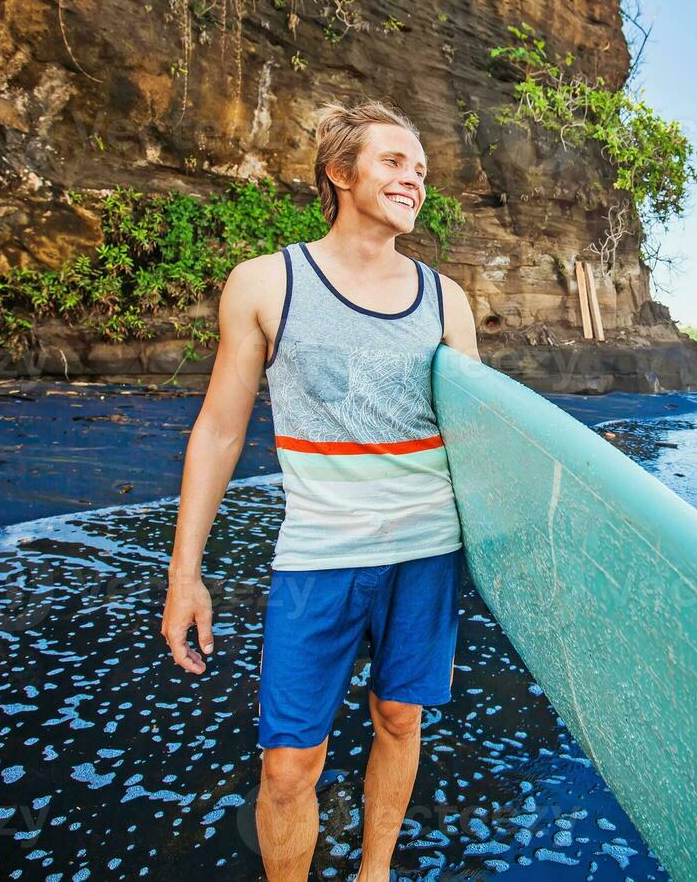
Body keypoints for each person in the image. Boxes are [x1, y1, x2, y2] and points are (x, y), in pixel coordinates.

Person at [160, 100, 479, 881]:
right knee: (288, 767)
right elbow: (220, 431)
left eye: (422, 170)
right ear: (341, 173)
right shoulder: (267, 283)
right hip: (318, 555)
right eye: (395, 163)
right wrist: (184, 574)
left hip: (427, 551)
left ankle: (373, 876)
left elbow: (481, 445)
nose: (415, 180)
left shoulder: (448, 299)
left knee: (400, 720)